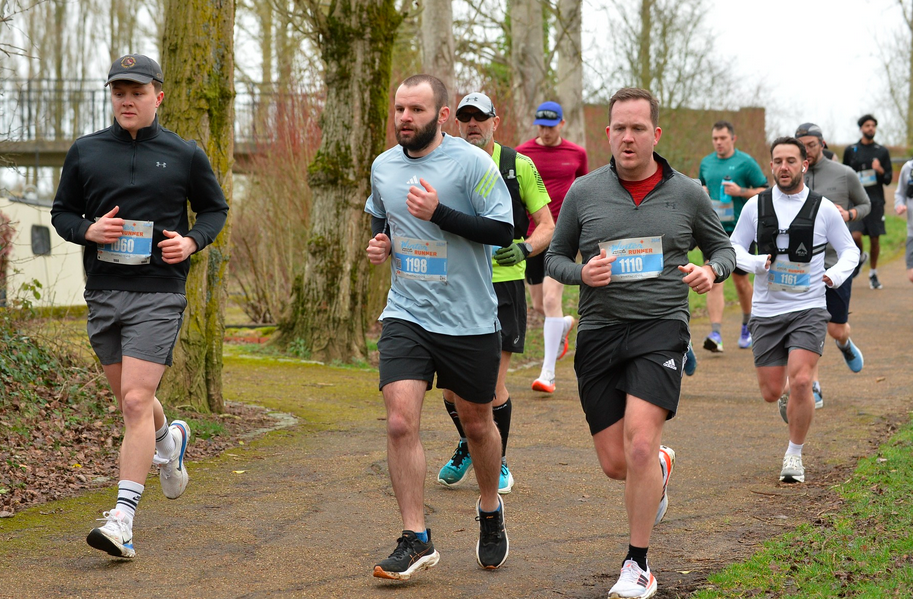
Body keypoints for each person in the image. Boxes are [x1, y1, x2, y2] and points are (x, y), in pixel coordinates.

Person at [546, 87, 735, 599]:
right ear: (607, 134)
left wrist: (709, 270)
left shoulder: (688, 194)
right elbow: (553, 259)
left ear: (656, 134)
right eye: (619, 128)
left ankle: (638, 564)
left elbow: (724, 249)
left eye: (637, 128)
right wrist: (582, 271)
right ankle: (662, 467)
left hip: (661, 328)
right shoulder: (585, 193)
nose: (627, 137)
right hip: (601, 332)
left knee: (639, 443)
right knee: (616, 463)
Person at [50, 54, 229, 559]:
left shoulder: (185, 154)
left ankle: (122, 520)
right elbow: (61, 212)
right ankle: (168, 441)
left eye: (137, 92)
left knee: (133, 400)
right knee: (132, 399)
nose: (127, 100)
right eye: (118, 92)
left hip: (159, 291)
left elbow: (214, 209)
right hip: (104, 291)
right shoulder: (85, 152)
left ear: (158, 96)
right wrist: (87, 229)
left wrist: (191, 242)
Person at [364, 75, 512, 580]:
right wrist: (380, 242)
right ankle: (415, 538)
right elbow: (380, 218)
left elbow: (501, 230)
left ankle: (490, 509)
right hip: (406, 312)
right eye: (399, 108)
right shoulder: (382, 166)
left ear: (442, 115)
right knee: (401, 421)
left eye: (416, 109)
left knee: (477, 423)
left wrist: (441, 213)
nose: (405, 117)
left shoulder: (474, 163)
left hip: (468, 319)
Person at [437, 92, 554, 495]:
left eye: (480, 118)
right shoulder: (444, 160)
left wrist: (524, 247)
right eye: (465, 118)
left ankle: (496, 457)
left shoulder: (518, 165)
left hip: (503, 283)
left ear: (495, 122)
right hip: (455, 283)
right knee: (451, 389)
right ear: (456, 123)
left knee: (488, 386)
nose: (472, 124)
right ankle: (472, 443)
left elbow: (546, 225)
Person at [730, 137, 859, 485]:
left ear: (804, 164)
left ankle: (794, 455)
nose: (783, 167)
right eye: (777, 161)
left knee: (802, 380)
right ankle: (787, 398)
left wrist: (833, 275)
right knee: (773, 390)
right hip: (767, 309)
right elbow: (733, 248)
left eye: (791, 160)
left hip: (809, 306)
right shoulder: (755, 207)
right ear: (770, 166)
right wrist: (756, 262)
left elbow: (850, 251)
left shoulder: (824, 209)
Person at [795, 123, 869, 408]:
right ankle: (813, 385)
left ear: (822, 144)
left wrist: (849, 213)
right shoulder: (789, 176)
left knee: (836, 329)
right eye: (802, 146)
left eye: (812, 145)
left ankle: (844, 344)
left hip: (836, 262)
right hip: (801, 264)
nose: (807, 151)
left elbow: (866, 205)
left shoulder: (844, 174)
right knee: (810, 325)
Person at [516, 101, 588, 393]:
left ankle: (548, 374)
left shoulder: (577, 154)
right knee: (538, 305)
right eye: (541, 127)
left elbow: (584, 192)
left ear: (562, 123)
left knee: (549, 300)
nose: (545, 132)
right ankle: (565, 324)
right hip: (531, 238)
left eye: (551, 126)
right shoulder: (522, 153)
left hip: (563, 236)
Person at [698, 121, 769, 353]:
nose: (718, 142)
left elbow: (764, 191)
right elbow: (702, 188)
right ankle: (716, 334)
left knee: (740, 282)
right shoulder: (706, 163)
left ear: (733, 139)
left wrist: (741, 192)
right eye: (715, 138)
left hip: (741, 231)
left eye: (723, 138)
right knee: (713, 279)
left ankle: (748, 325)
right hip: (713, 230)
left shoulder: (746, 162)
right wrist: (702, 193)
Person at [843, 114, 892, 289]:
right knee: (855, 235)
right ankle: (860, 256)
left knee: (875, 239)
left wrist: (879, 170)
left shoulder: (882, 151)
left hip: (876, 200)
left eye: (873, 125)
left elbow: (888, 178)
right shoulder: (851, 150)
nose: (870, 128)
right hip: (856, 200)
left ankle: (873, 273)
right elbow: (844, 174)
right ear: (861, 128)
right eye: (867, 125)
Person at [893, 157, 913, 285]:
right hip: (912, 231)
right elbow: (900, 193)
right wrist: (899, 204)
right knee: (911, 275)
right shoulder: (908, 168)